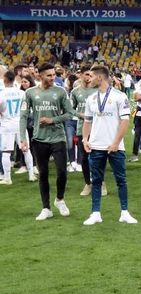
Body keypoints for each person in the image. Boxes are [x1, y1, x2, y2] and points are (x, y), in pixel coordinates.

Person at [82, 65, 137, 225]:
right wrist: (85, 139)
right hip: (96, 146)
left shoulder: (120, 96)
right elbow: (87, 121)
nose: (88, 79)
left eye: (91, 76)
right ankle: (95, 213)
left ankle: (125, 212)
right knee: (96, 181)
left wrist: (115, 142)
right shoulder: (91, 98)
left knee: (121, 180)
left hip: (115, 147)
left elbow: (125, 121)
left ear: (100, 77)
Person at [20, 62, 76, 220]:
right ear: (39, 75)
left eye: (54, 75)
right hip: (39, 139)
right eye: (49, 75)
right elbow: (23, 116)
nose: (53, 78)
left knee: (62, 172)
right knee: (43, 174)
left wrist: (53, 120)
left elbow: (69, 113)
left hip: (58, 137)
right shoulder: (30, 93)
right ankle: (46, 208)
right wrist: (23, 138)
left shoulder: (61, 91)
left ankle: (60, 199)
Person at [70, 65, 107, 197]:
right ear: (81, 75)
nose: (89, 77)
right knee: (84, 158)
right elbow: (70, 109)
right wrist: (80, 114)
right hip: (82, 128)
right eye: (86, 74)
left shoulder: (98, 90)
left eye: (91, 75)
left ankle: (101, 182)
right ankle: (88, 183)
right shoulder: (75, 92)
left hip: (98, 129)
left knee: (98, 157)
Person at [0, 71, 36, 184]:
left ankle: (7, 178)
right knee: (26, 149)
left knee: (6, 152)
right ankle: (31, 175)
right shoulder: (21, 93)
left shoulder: (1, 93)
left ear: (5, 80)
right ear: (14, 80)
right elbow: (27, 108)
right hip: (20, 124)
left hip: (7, 125)